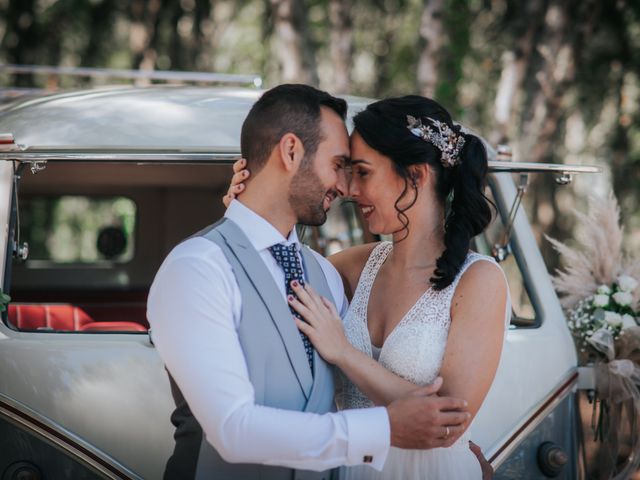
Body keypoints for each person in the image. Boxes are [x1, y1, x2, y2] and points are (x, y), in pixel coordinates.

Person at [147, 85, 472, 480]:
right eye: (338, 165)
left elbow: (344, 393)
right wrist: (385, 428)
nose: (346, 188)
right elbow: (231, 430)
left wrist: (462, 460)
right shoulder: (198, 267)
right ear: (290, 151)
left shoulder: (326, 276)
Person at [225, 95, 510, 479]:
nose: (347, 189)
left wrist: (344, 352)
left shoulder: (479, 281)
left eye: (362, 172)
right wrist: (247, 214)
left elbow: (446, 422)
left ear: (416, 175)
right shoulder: (353, 267)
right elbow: (266, 283)